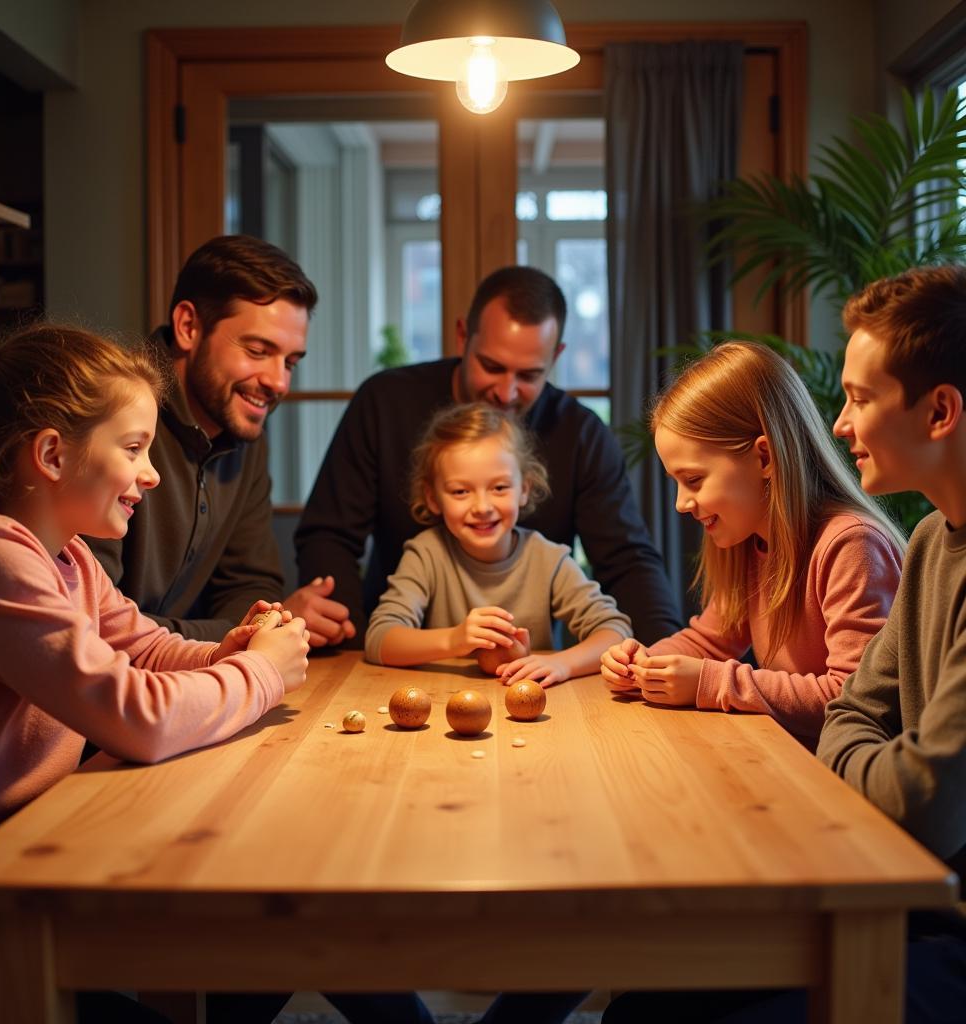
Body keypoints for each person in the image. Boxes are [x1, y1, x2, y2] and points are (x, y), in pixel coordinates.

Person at [604, 269, 966, 1024]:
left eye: (860, 399)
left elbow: (913, 789)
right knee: (639, 1006)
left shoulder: (856, 540)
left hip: (917, 894)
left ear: (940, 412)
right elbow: (853, 714)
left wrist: (717, 686)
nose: (840, 422)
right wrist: (644, 660)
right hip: (865, 844)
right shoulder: (934, 540)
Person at [0, 324, 310, 1024]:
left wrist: (233, 649)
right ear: (52, 453)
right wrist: (261, 675)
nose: (152, 473)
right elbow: (133, 714)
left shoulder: (68, 556)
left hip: (47, 849)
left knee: (272, 943)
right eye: (135, 449)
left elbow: (146, 647)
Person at [296, 265, 681, 644]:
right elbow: (329, 535)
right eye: (492, 367)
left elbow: (628, 560)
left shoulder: (582, 434)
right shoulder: (384, 402)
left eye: (529, 375)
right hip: (398, 650)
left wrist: (665, 645)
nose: (506, 392)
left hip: (526, 664)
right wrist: (346, 637)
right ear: (463, 336)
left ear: (556, 356)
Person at [600, 341, 903, 749]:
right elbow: (709, 640)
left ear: (764, 458)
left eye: (693, 480)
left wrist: (709, 682)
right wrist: (643, 661)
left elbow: (852, 699)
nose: (680, 503)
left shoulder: (852, 545)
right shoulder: (751, 542)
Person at [89, 234, 355, 648]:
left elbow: (252, 588)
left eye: (290, 361)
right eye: (257, 349)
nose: (278, 381)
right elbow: (100, 627)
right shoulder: (106, 414)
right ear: (188, 326)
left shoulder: (244, 430)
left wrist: (253, 627)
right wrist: (242, 633)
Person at [366, 403, 632, 683]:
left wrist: (562, 664)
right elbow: (380, 638)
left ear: (524, 490)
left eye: (499, 487)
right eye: (460, 491)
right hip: (441, 705)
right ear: (433, 498)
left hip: (538, 709)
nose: (482, 506)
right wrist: (455, 639)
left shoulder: (548, 559)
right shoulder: (427, 554)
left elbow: (615, 631)